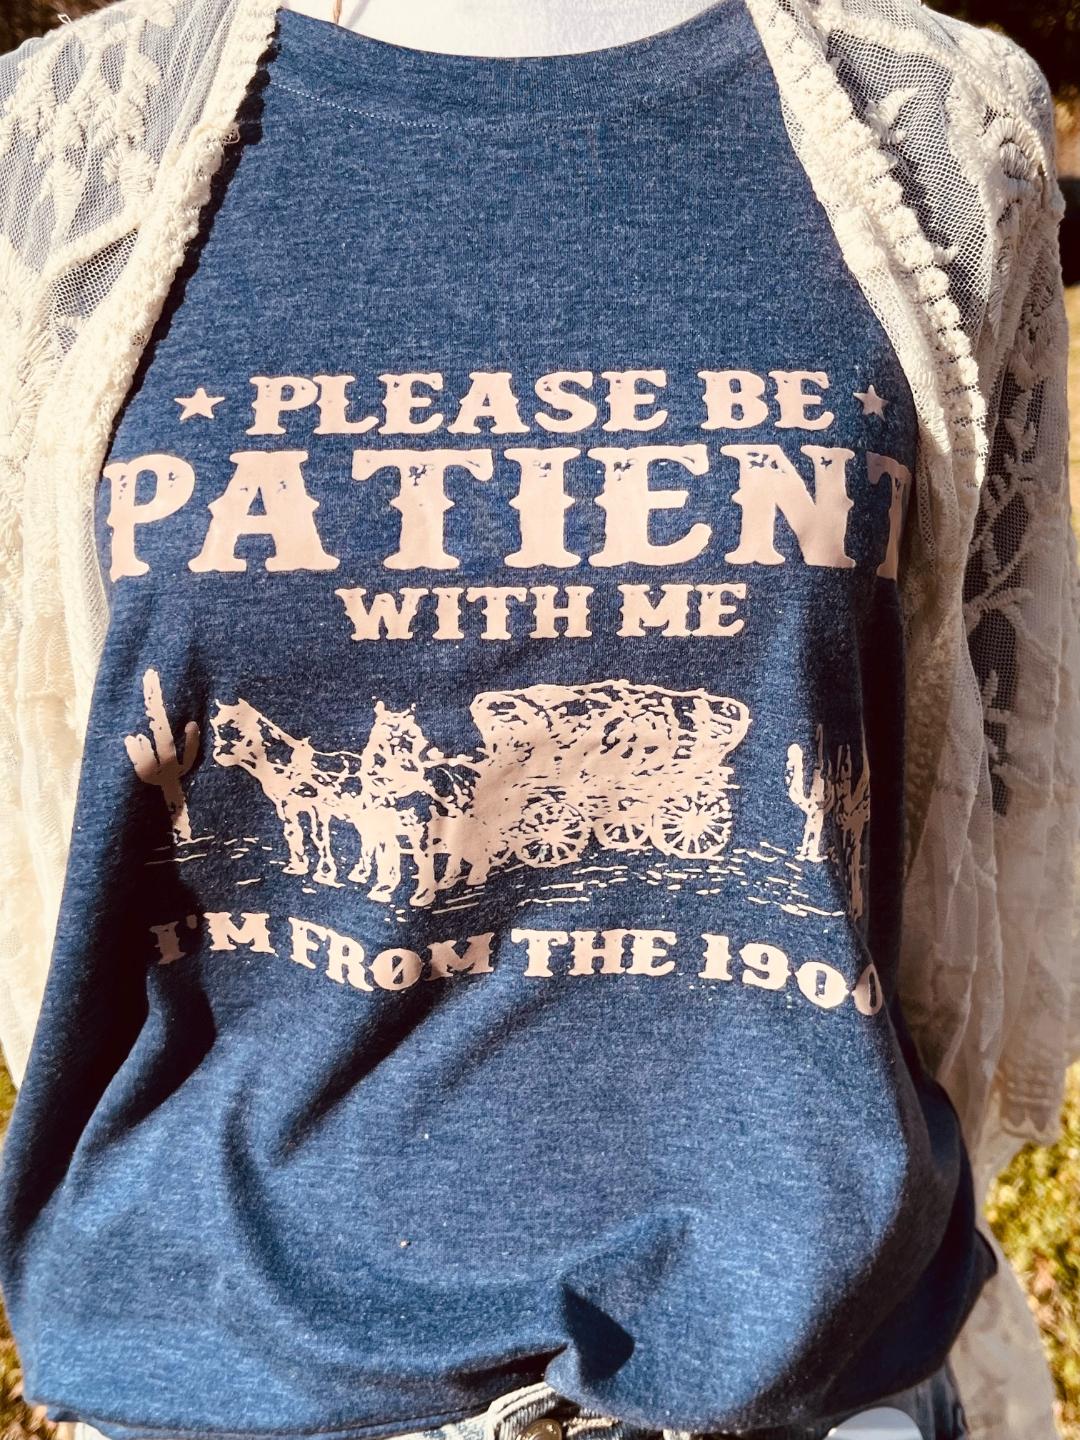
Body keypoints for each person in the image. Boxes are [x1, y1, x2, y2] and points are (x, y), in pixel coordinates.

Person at [0, 2, 1076, 1440]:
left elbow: (975, 818)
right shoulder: (67, 140)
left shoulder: (933, 122)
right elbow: (48, 822)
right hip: (218, 1384)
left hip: (791, 1391)